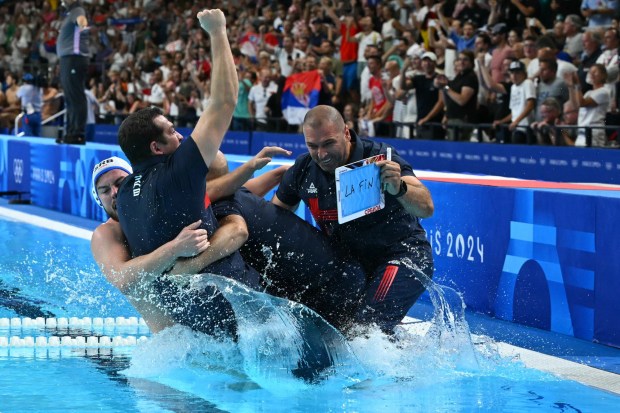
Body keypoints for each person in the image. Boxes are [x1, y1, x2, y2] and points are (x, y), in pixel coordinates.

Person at [114, 9, 258, 339]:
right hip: (230, 305)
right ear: (156, 147)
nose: (181, 136)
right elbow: (224, 102)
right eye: (171, 131)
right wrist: (217, 31)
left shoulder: (125, 193)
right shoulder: (178, 169)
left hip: (186, 317)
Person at [272, 105, 435, 334]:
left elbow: (426, 207)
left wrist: (399, 188)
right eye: (313, 146)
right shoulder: (303, 170)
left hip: (402, 255)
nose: (322, 154)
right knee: (323, 329)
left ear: (346, 133)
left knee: (365, 332)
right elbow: (275, 217)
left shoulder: (379, 157)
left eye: (329, 143)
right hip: (350, 266)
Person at [57, 0, 90, 145]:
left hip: (74, 58)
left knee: (76, 97)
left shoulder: (77, 10)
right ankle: (70, 132)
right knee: (70, 98)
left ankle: (78, 133)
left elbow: (82, 20)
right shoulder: (69, 14)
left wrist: (83, 25)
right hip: (67, 59)